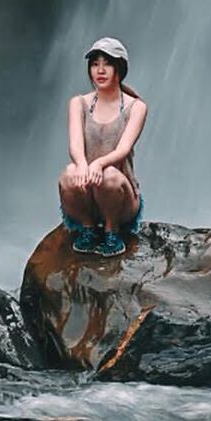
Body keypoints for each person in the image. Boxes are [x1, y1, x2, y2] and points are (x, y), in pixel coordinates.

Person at [58, 36, 147, 256]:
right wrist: (81, 164)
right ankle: (88, 228)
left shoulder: (136, 107)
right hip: (86, 194)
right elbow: (75, 144)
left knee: (109, 175)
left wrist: (98, 163)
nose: (100, 70)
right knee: (69, 173)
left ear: (120, 68)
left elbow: (123, 150)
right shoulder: (78, 103)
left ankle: (111, 231)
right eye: (95, 64)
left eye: (107, 63)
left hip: (120, 198)